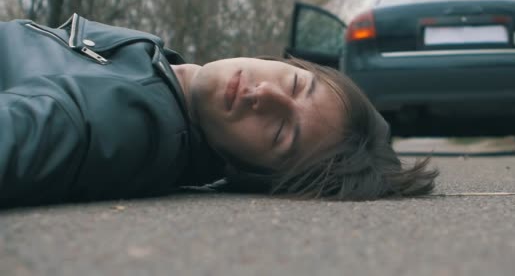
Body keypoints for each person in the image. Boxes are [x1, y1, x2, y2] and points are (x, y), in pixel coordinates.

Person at [0, 14, 438, 207]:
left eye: (280, 133)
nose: (264, 94)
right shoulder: (164, 70)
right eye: (295, 84)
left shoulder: (135, 123)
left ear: (244, 170)